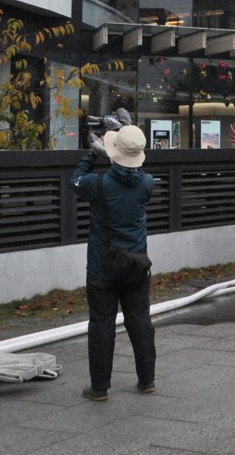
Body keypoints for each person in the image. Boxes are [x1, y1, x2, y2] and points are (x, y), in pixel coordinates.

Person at [70, 119, 157, 402]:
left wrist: (93, 154)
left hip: (103, 265)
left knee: (102, 324)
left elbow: (75, 181)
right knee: (140, 321)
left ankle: (99, 388)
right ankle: (147, 381)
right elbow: (133, 174)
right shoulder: (147, 183)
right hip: (136, 264)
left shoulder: (99, 184)